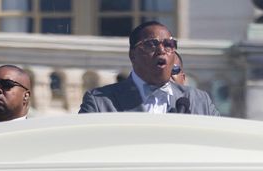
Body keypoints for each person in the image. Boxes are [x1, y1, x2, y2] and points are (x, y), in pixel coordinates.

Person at [79, 21, 218, 115]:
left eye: (168, 45)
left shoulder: (199, 100)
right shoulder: (100, 102)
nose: (161, 50)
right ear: (132, 55)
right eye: (151, 44)